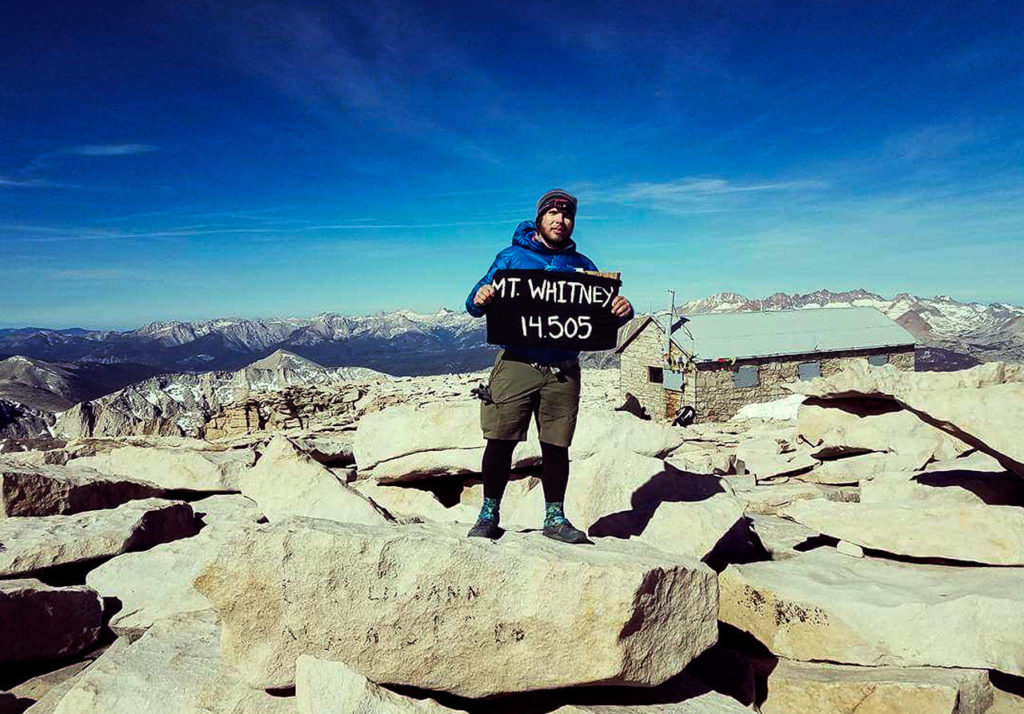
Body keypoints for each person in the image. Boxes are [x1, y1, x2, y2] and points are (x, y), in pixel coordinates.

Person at [464, 189, 634, 543]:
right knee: (500, 440)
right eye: (554, 214)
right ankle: (488, 514)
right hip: (516, 362)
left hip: (563, 368)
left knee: (556, 445)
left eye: (568, 215)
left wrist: (621, 313)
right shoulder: (511, 258)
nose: (561, 220)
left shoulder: (583, 266)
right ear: (540, 218)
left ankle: (555, 518)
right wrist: (480, 298)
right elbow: (475, 301)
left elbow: (597, 319)